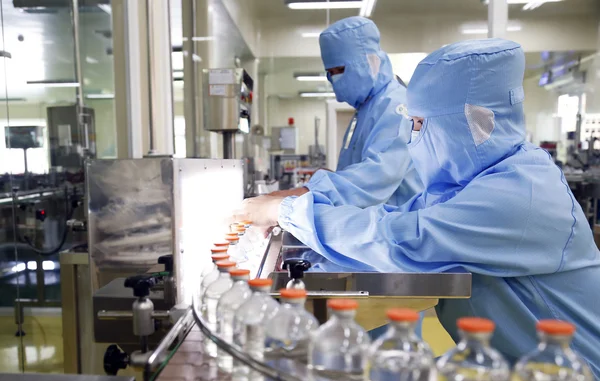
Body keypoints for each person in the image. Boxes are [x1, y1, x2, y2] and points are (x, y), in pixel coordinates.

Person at [235, 38, 600, 376]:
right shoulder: (472, 181)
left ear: (476, 123)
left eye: (420, 124)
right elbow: (395, 216)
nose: (411, 136)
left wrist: (287, 213)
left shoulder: (522, 193)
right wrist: (306, 220)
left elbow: (403, 239)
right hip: (513, 365)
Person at [269, 16, 422, 209]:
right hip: (373, 225)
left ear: (370, 61)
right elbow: (358, 171)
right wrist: (332, 178)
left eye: (340, 70)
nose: (335, 79)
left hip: (398, 228)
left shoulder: (396, 106)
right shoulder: (365, 109)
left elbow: (376, 176)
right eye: (330, 73)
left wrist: (305, 192)